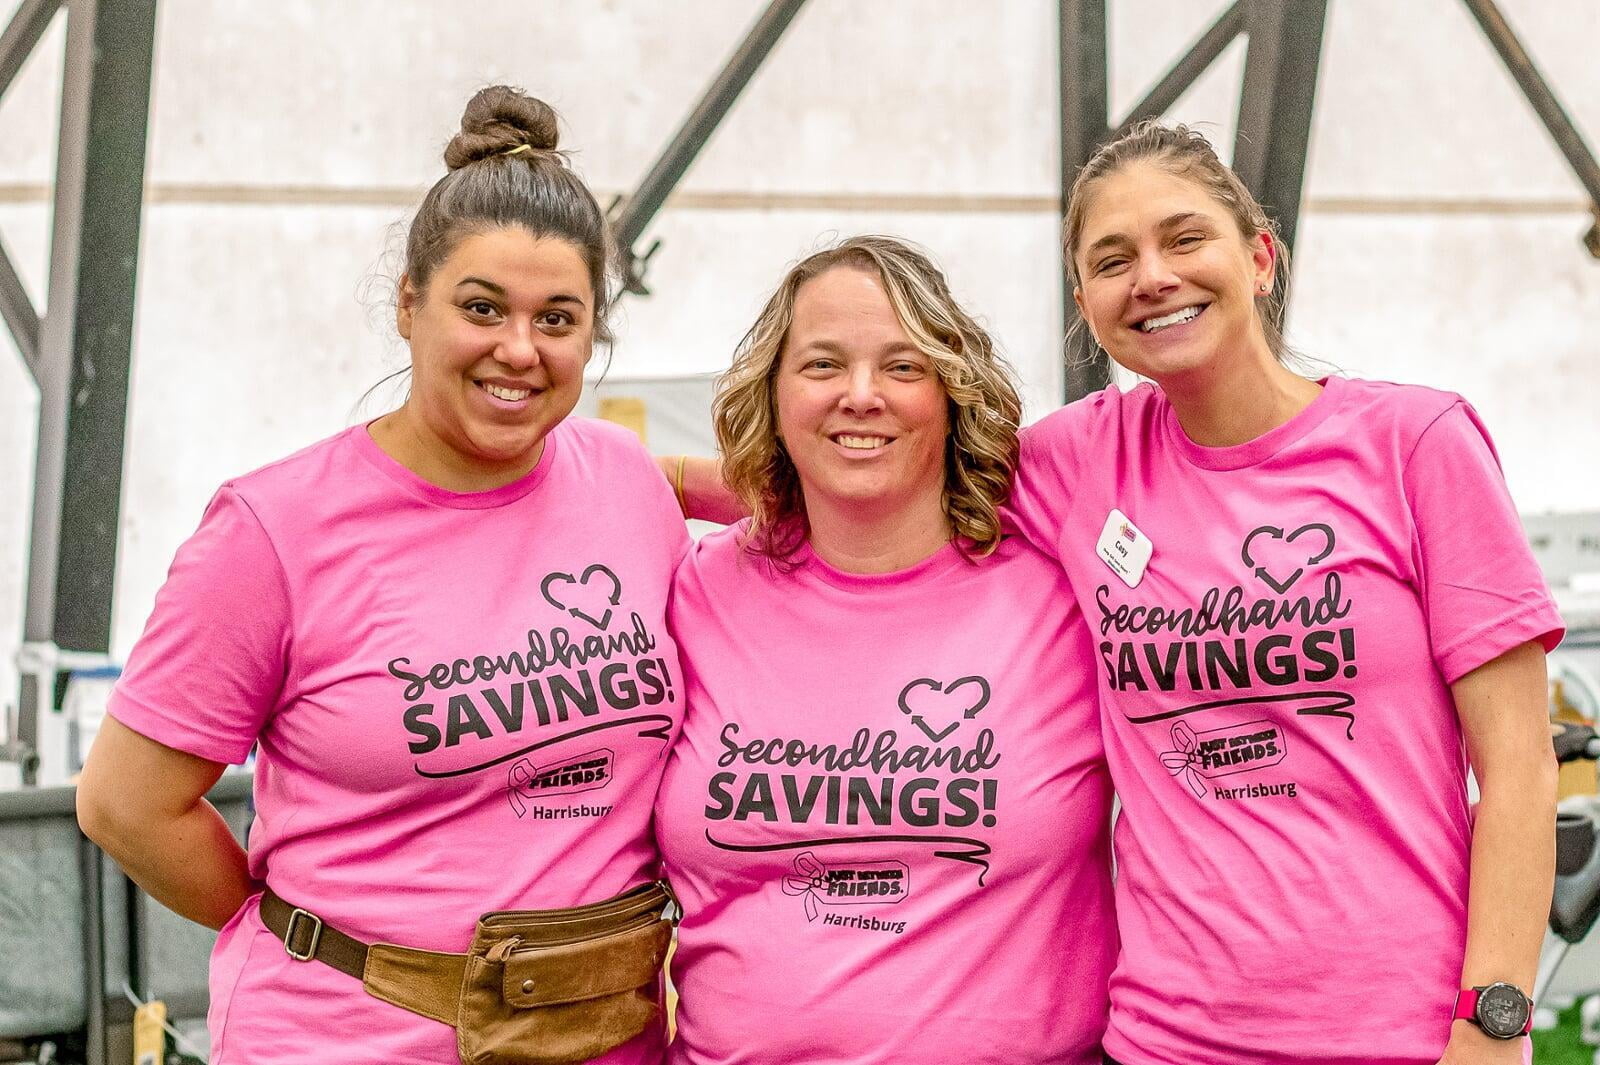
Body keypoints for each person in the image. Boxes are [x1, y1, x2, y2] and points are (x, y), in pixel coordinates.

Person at [76, 87, 687, 1065]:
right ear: (409, 303)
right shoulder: (275, 530)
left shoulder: (627, 486)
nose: (518, 350)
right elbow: (124, 804)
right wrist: (321, 943)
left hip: (600, 1036)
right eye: (481, 307)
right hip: (346, 1037)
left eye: (557, 318)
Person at [1007, 122, 1562, 1065]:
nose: (1152, 275)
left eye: (1185, 239)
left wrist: (1492, 1023)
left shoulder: (1415, 443)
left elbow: (1519, 769)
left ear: (1260, 257)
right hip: (1165, 1042)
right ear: (1086, 302)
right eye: (1114, 259)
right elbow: (865, 471)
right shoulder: (1076, 459)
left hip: (1406, 1039)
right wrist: (666, 479)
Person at [654, 236, 1116, 1064]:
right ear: (773, 392)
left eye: (903, 367)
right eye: (823, 365)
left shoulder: (1063, 595)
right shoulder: (694, 592)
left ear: (952, 392)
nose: (861, 396)